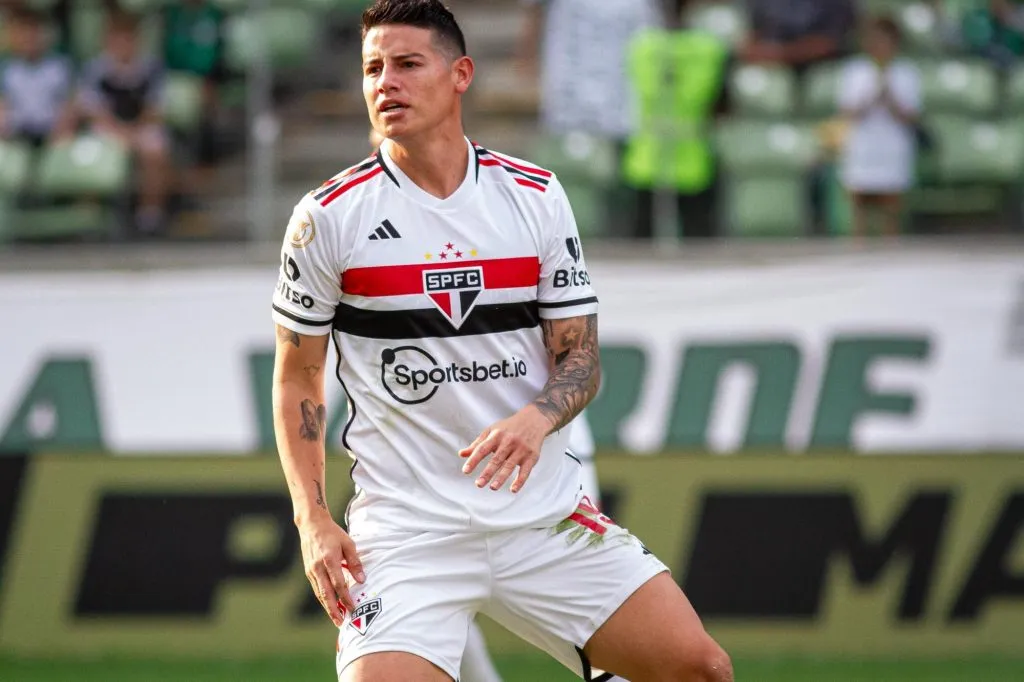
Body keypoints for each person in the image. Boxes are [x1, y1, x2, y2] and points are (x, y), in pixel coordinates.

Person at [271, 2, 733, 682]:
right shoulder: (326, 218)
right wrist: (312, 520)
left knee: (702, 669)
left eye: (406, 64)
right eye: (372, 68)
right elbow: (297, 378)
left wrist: (536, 418)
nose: (385, 82)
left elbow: (580, 357)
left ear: (460, 74)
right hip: (408, 537)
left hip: (541, 521)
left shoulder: (535, 195)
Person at [78, 9, 170, 234]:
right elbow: (93, 110)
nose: (123, 45)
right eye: (117, 39)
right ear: (107, 41)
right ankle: (91, 214)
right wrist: (119, 132)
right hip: (108, 128)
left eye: (128, 39)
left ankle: (150, 214)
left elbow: (155, 109)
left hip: (141, 127)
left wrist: (134, 132)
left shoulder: (151, 68)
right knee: (88, 153)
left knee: (156, 149)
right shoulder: (95, 69)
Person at [838, 16, 921, 239]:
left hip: (892, 140)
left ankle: (891, 240)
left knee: (891, 196)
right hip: (863, 140)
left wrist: (890, 97)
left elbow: (911, 116)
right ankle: (858, 240)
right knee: (858, 194)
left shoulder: (906, 72)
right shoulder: (855, 71)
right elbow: (847, 112)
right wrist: (870, 97)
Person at [0, 7, 75, 148]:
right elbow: (3, 106)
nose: (28, 39)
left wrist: (61, 131)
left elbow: (70, 104)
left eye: (33, 33)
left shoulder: (60, 66)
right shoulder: (6, 68)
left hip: (53, 134)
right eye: (23, 34)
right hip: (17, 136)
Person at [741, 0, 856, 73]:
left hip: (825, 65)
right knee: (752, 82)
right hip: (775, 65)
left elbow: (828, 43)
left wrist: (779, 54)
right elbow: (752, 38)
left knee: (824, 90)